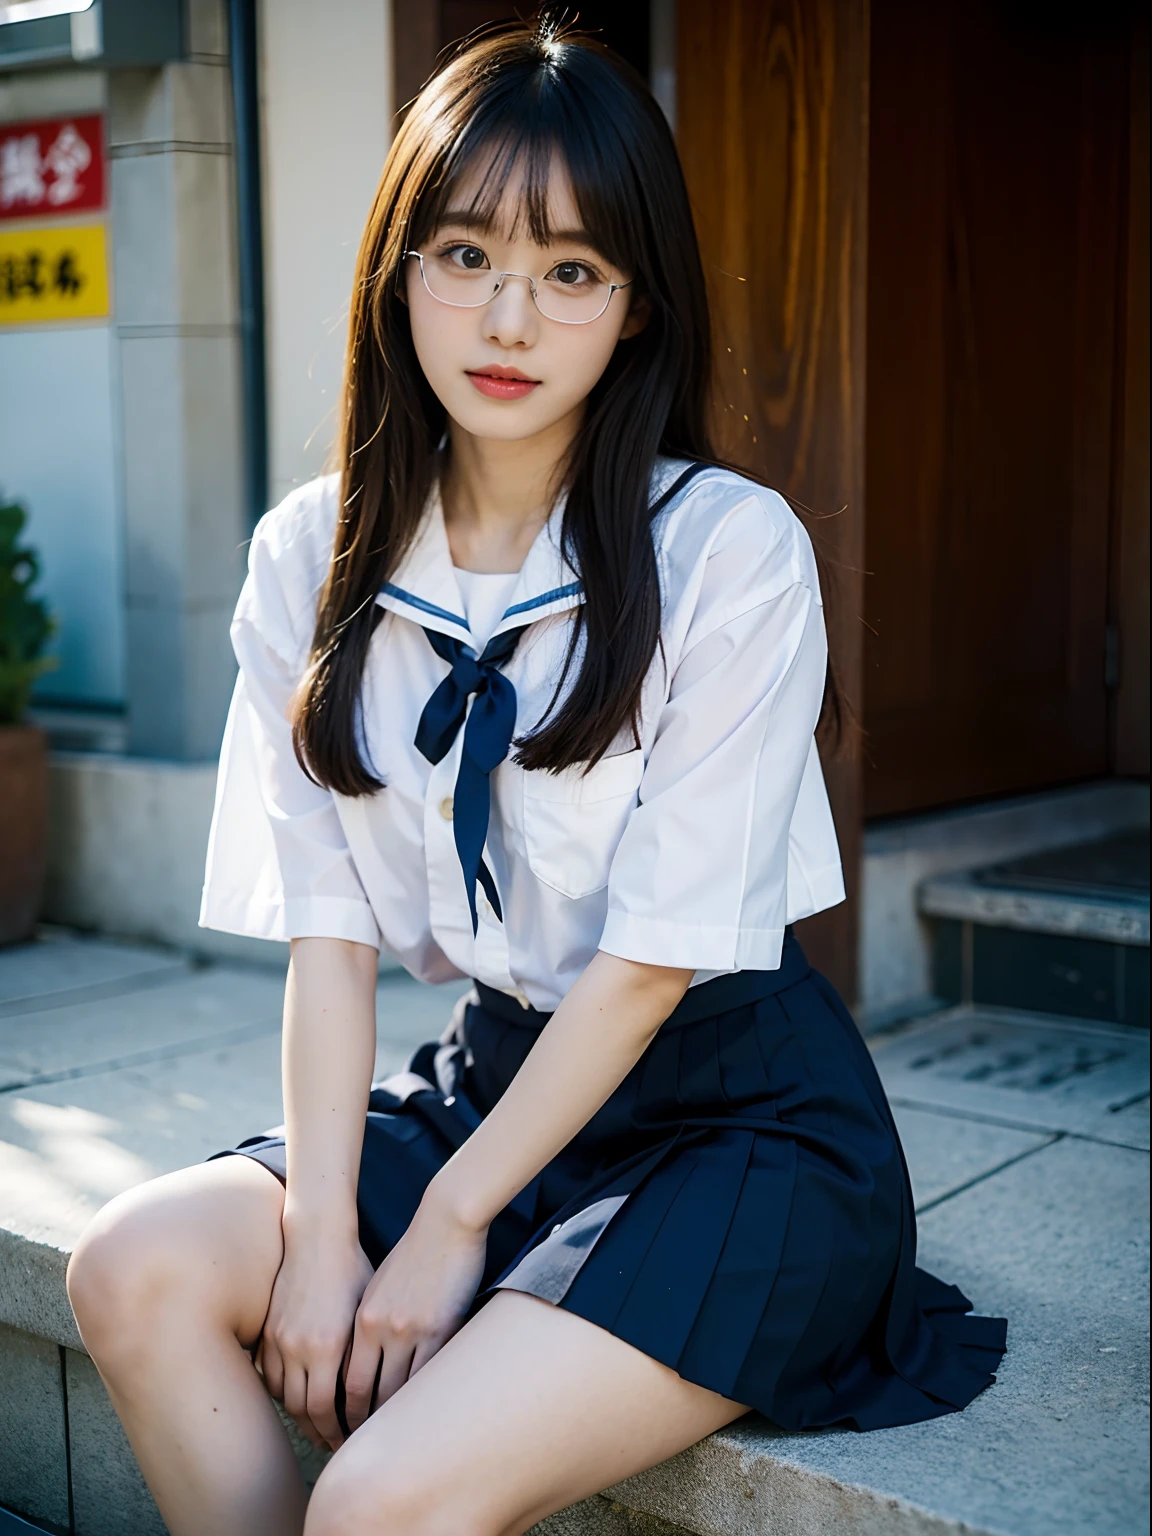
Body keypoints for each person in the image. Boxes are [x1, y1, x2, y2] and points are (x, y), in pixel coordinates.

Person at [66, 17, 1007, 1536]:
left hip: (734, 1115)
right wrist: (318, 1242)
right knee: (135, 1266)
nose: (509, 316)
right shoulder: (309, 556)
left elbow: (648, 967)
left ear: (636, 308)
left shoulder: (727, 553)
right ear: (399, 269)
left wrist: (448, 1223)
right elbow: (330, 936)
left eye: (572, 271)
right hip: (493, 1075)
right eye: (463, 253)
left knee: (376, 1498)